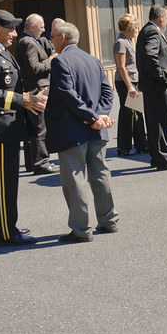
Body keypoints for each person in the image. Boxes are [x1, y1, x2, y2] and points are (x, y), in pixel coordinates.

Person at [0, 9, 47, 247]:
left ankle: (7, 225)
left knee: (9, 182)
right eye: (10, 29)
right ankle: (4, 233)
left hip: (9, 127)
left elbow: (8, 87)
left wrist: (26, 96)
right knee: (3, 184)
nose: (14, 33)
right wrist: (21, 100)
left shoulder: (1, 51)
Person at [45, 22, 118, 242]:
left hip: (72, 129)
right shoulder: (93, 60)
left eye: (53, 37)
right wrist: (99, 116)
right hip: (95, 128)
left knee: (75, 178)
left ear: (63, 38)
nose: (51, 40)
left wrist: (94, 118)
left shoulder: (60, 61)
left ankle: (81, 229)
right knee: (100, 173)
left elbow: (68, 96)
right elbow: (108, 92)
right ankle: (108, 220)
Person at [136, 5, 167, 170]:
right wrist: (162, 76)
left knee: (155, 122)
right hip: (157, 85)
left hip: (152, 85)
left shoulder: (147, 30)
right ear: (161, 17)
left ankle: (157, 157)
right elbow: (150, 54)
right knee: (161, 122)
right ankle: (163, 159)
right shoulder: (153, 31)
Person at [13, 13, 59, 175]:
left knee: (33, 128)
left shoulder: (27, 41)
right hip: (36, 89)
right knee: (39, 128)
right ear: (32, 27)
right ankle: (41, 162)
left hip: (33, 88)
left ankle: (32, 162)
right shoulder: (28, 42)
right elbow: (34, 68)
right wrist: (51, 60)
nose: (44, 30)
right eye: (41, 27)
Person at [113, 13, 147, 156]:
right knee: (127, 113)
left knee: (137, 112)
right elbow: (122, 67)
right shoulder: (120, 42)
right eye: (135, 27)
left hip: (134, 79)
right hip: (126, 82)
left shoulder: (128, 41)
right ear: (128, 28)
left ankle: (141, 144)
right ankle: (124, 147)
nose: (137, 30)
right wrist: (129, 86)